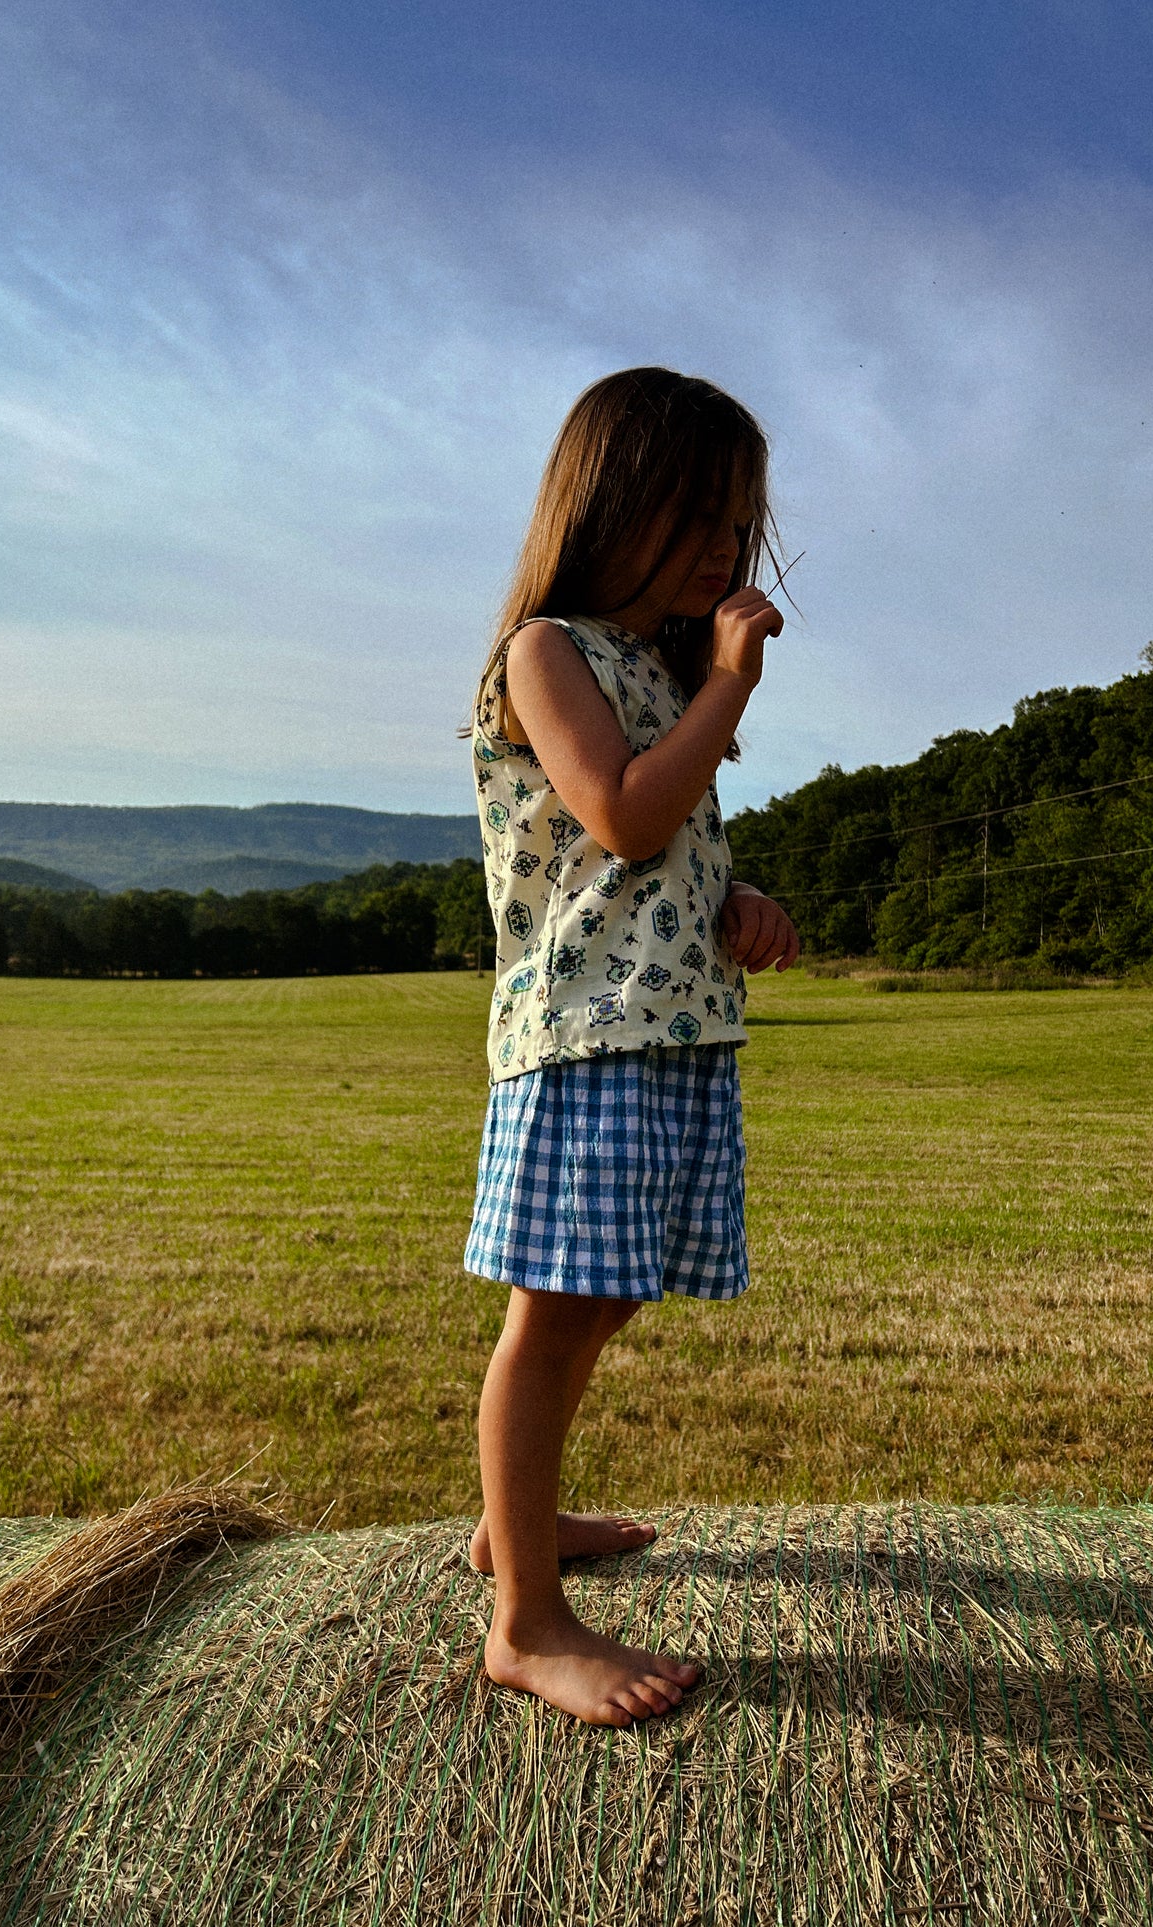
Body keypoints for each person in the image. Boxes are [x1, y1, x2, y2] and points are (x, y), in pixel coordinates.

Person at [462, 366, 800, 1727]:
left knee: (605, 1299)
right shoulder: (547, 649)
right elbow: (616, 815)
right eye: (707, 520)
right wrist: (727, 688)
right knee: (550, 1319)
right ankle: (524, 1622)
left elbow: (652, 862)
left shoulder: (654, 672)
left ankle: (514, 1529)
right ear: (615, 505)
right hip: (585, 1043)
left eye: (740, 528)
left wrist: (736, 903)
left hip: (667, 1032)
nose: (729, 552)